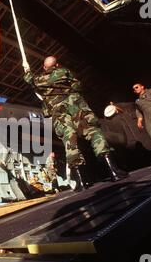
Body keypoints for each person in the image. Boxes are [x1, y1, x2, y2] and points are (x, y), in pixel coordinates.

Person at [23, 56, 128, 191]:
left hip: (60, 113)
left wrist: (27, 71)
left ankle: (81, 181)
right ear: (57, 65)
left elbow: (30, 80)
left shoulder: (40, 80)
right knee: (94, 133)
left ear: (44, 67)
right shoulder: (65, 72)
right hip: (78, 107)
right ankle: (114, 171)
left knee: (70, 142)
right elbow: (78, 85)